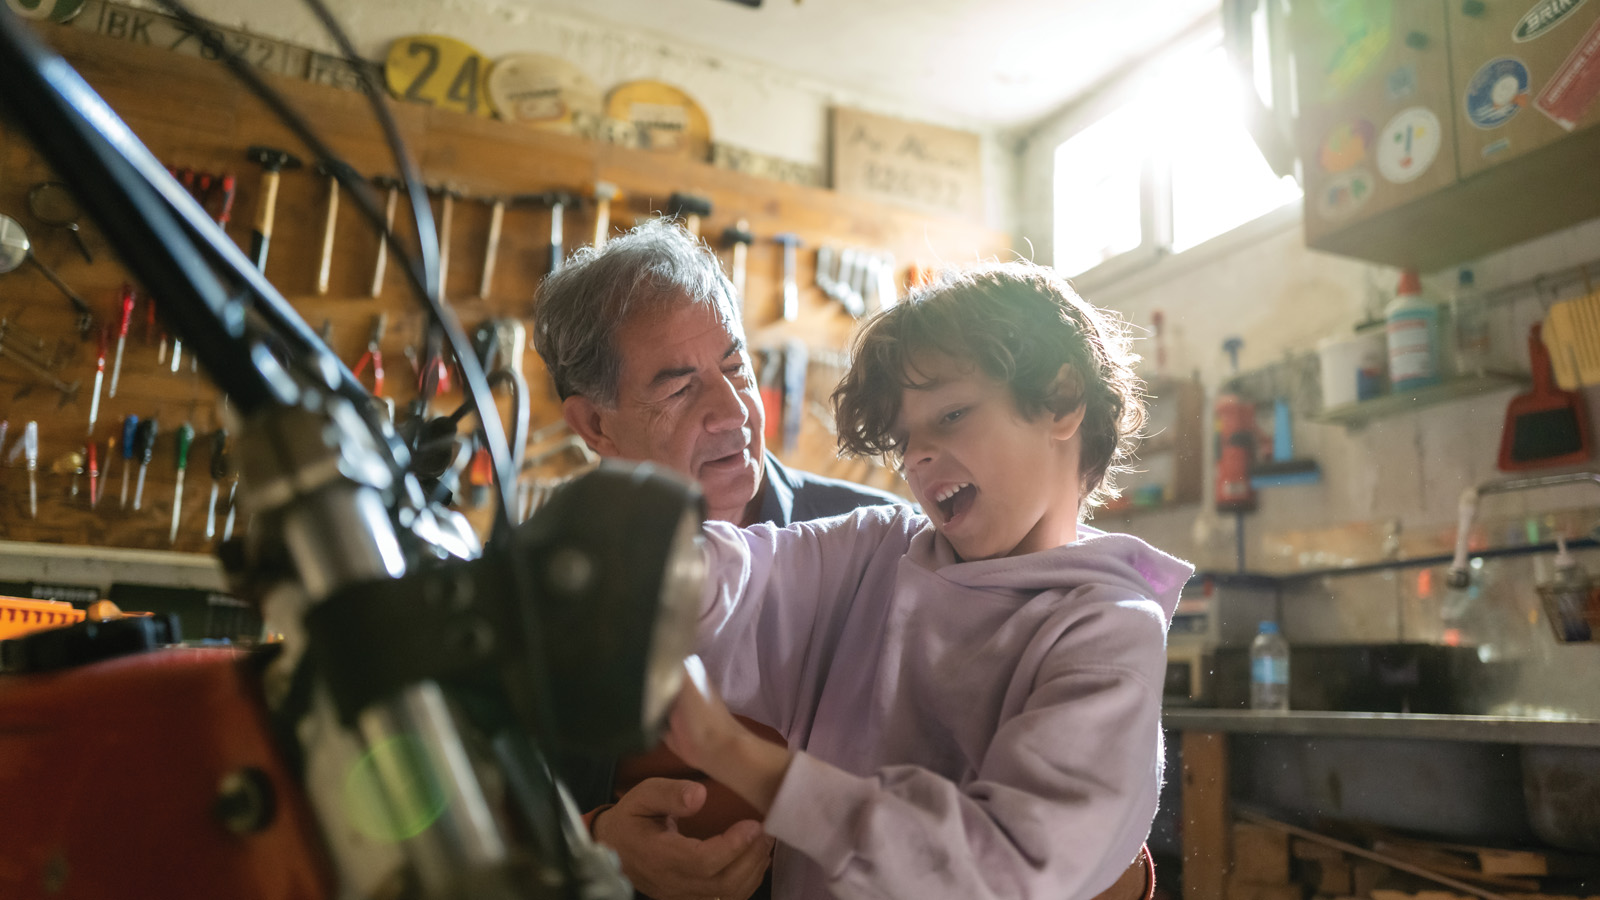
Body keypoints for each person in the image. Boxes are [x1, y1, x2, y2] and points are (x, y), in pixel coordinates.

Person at [661, 261, 1193, 900]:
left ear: (1061, 400)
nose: (916, 456)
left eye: (952, 414)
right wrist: (647, 569)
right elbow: (742, 575)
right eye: (903, 437)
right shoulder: (878, 550)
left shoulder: (1107, 631)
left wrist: (735, 755)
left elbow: (1002, 869)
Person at [531, 219, 903, 900]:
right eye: (679, 389)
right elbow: (477, 803)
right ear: (595, 425)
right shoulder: (543, 581)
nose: (734, 411)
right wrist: (594, 843)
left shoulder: (880, 545)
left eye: (736, 368)